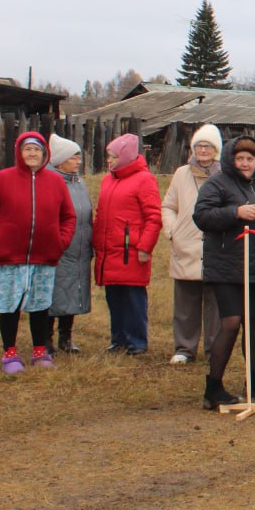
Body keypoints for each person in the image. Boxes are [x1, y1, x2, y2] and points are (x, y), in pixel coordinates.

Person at [193, 135, 255, 410]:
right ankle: (213, 387)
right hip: (227, 266)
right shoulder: (217, 183)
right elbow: (201, 216)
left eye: (250, 159)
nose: (245, 163)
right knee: (231, 321)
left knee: (253, 323)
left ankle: (254, 381)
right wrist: (235, 212)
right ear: (231, 160)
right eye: (240, 158)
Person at [0, 132, 75, 373]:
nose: (32, 154)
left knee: (40, 306)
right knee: (10, 306)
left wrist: (59, 242)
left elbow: (68, 217)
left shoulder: (55, 182)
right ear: (19, 153)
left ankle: (40, 353)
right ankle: (9, 355)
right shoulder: (3, 179)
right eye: (28, 149)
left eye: (37, 150)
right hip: (9, 258)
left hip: (44, 257)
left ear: (45, 154)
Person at [93, 133, 162, 355]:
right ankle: (118, 339)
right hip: (109, 250)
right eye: (108, 156)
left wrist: (144, 247)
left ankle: (137, 341)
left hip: (130, 250)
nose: (109, 161)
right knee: (114, 297)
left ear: (124, 157)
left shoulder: (144, 179)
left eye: (113, 156)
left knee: (133, 297)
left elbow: (153, 217)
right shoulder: (108, 179)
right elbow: (101, 213)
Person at [161, 124, 222, 364]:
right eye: (199, 146)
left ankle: (214, 349)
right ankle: (184, 348)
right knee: (186, 302)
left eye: (208, 146)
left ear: (216, 149)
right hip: (185, 244)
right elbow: (168, 206)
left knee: (216, 304)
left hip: (216, 245)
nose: (203, 150)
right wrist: (172, 230)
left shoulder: (225, 176)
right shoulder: (181, 174)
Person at [47, 134, 93, 354]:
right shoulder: (50, 182)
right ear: (61, 159)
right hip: (58, 248)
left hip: (80, 248)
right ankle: (46, 339)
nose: (78, 161)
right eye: (74, 157)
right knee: (52, 293)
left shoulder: (79, 183)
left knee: (73, 291)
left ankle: (66, 337)